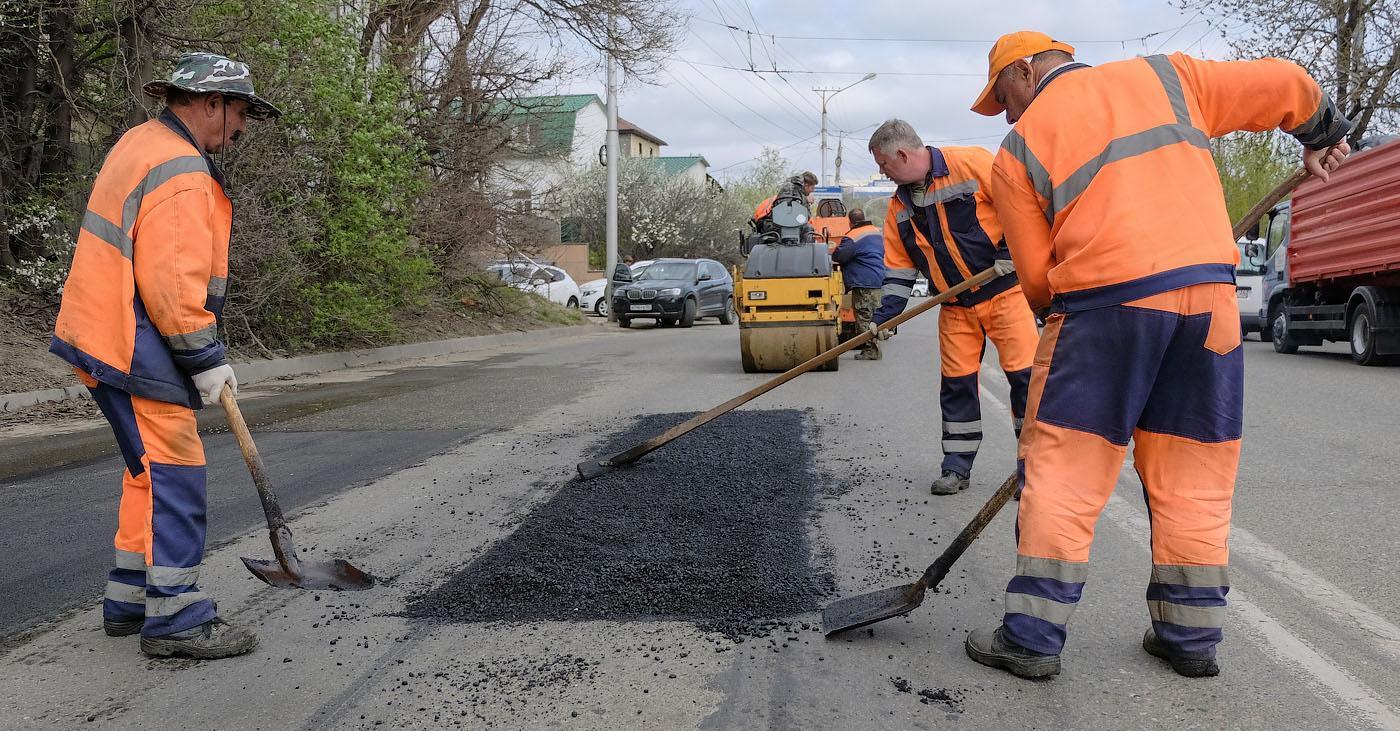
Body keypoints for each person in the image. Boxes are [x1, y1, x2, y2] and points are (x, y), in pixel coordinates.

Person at [963, 30, 1351, 680]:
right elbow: (1287, 83)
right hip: (1210, 308)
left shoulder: (1016, 152)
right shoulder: (1168, 77)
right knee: (1195, 470)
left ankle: (1031, 635)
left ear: (1026, 71)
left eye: (1003, 94)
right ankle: (1190, 633)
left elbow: (1035, 282)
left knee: (1065, 467)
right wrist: (1322, 131)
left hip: (1101, 311)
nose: (1006, 113)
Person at [50, 52, 282, 659]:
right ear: (209, 103)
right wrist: (206, 358)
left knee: (146, 474)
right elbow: (175, 285)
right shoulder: (180, 167)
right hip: (135, 339)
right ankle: (176, 618)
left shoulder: (143, 141)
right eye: (241, 113)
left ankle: (130, 600)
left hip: (103, 332)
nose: (244, 126)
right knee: (178, 471)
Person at [866, 119, 1040, 496]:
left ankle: (1036, 471)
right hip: (955, 305)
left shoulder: (971, 163)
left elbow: (1020, 203)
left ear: (902, 154)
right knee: (957, 386)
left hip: (1004, 294)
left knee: (1026, 381)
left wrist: (1012, 252)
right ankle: (956, 468)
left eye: (883, 164)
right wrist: (885, 317)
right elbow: (898, 269)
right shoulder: (898, 206)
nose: (881, 171)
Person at [831, 209, 886, 360]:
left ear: (850, 222)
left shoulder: (852, 237)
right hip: (879, 279)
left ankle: (871, 351)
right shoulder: (877, 232)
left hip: (863, 282)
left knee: (863, 316)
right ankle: (882, 335)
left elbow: (839, 256)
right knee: (875, 315)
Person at [752, 171, 818, 241]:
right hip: (775, 224)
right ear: (806, 185)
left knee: (809, 229)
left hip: (782, 223)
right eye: (812, 187)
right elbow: (784, 211)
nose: (813, 190)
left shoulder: (797, 192)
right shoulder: (789, 188)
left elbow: (803, 217)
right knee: (807, 229)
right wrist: (806, 200)